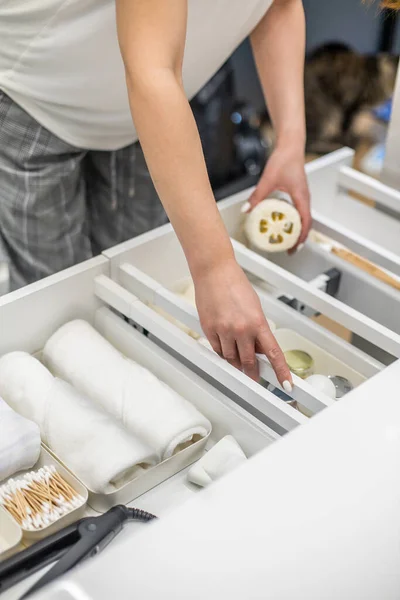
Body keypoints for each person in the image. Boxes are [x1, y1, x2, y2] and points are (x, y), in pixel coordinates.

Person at [0, 0, 310, 388]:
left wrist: (291, 141)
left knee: (133, 285)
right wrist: (214, 268)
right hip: (37, 91)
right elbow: (151, 73)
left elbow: (278, 5)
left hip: (142, 109)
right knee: (57, 310)